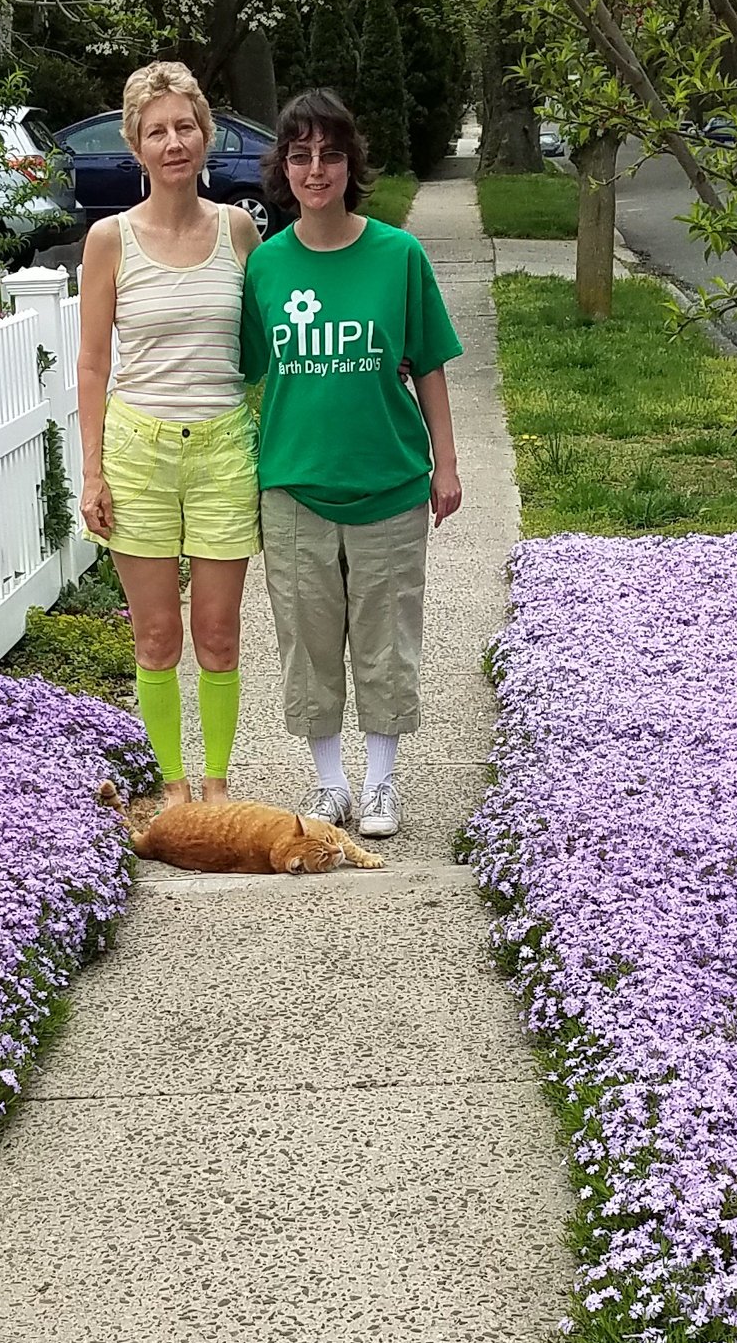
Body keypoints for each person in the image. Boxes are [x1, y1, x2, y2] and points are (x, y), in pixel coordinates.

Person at [238, 85, 462, 842]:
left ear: (350, 163)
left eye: (330, 154)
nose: (315, 169)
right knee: (307, 638)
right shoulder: (265, 268)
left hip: (390, 482)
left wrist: (447, 464)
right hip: (294, 485)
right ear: (285, 168)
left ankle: (380, 784)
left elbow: (428, 362)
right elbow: (238, 367)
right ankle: (329, 784)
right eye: (300, 156)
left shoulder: (398, 256)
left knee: (385, 637)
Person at [76, 59, 261, 804]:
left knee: (217, 634)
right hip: (137, 451)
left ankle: (216, 782)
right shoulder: (108, 240)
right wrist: (92, 470)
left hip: (223, 448)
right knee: (156, 638)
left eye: (186, 126)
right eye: (158, 131)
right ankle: (173, 783)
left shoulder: (238, 231)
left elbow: (266, 348)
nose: (174, 142)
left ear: (206, 135)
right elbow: (91, 363)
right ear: (136, 144)